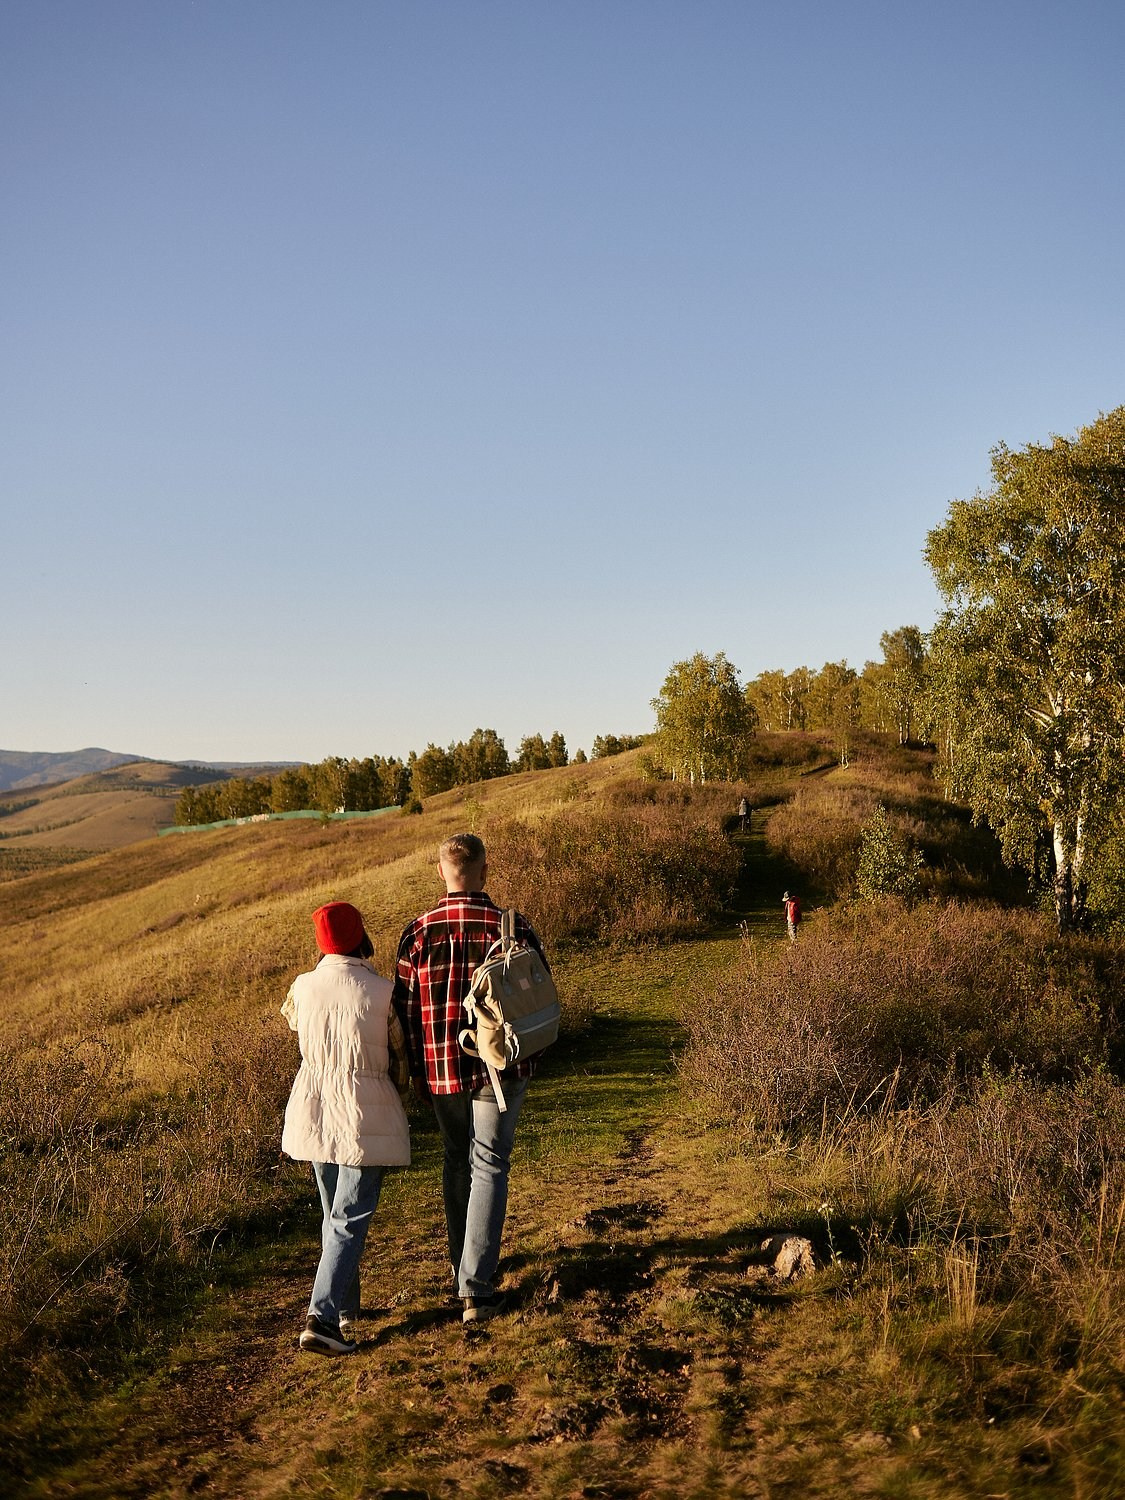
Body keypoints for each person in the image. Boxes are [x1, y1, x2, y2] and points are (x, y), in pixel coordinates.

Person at [392, 833, 549, 1324]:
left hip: (440, 1070)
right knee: (490, 1165)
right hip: (501, 1067)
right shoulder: (512, 928)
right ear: (484, 870)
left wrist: (415, 1073)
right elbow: (539, 993)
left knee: (457, 1161)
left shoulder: (417, 933)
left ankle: (460, 1266)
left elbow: (405, 1012)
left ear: (441, 872)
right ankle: (476, 1289)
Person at [281, 901, 411, 1355]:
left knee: (333, 1214)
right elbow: (399, 1054)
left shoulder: (302, 987)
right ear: (361, 935)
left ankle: (346, 1306)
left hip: (314, 1106)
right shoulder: (382, 992)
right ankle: (322, 1317)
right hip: (364, 1111)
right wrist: (400, 1093)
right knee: (350, 1216)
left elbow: (294, 1021)